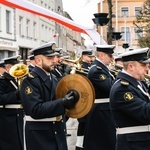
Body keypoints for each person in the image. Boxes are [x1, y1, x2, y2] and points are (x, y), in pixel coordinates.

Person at [20, 42, 79, 150]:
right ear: (38, 61)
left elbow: (59, 106)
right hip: (41, 136)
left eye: (54, 57)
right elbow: (35, 110)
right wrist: (63, 102)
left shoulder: (53, 78)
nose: (54, 60)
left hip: (57, 131)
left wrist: (70, 102)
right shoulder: (30, 80)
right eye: (49, 58)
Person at [110, 47, 150, 150]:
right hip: (133, 144)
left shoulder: (137, 83)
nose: (147, 68)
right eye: (143, 65)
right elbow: (146, 113)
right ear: (131, 66)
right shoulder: (122, 89)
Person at [83, 45, 116, 150]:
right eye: (110, 56)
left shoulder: (102, 68)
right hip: (100, 112)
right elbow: (111, 88)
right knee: (101, 143)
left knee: (107, 142)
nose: (112, 58)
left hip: (104, 110)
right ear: (101, 55)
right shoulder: (97, 70)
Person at [0, 55, 24, 150]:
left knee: (19, 142)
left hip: (18, 115)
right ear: (7, 68)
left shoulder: (18, 78)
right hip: (6, 117)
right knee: (9, 144)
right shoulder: (2, 81)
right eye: (15, 66)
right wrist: (16, 94)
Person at [75, 49, 94, 150]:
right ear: (83, 56)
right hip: (83, 98)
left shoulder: (90, 66)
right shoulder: (81, 67)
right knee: (82, 122)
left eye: (91, 57)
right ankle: (79, 144)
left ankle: (83, 143)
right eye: (88, 57)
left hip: (89, 98)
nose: (90, 59)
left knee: (86, 123)